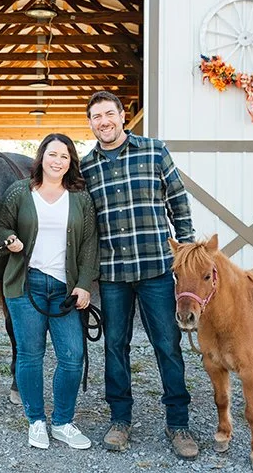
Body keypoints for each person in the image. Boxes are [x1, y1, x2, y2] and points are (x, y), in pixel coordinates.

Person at [80, 91, 199, 460]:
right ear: (91, 123)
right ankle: (120, 419)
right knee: (115, 346)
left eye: (109, 113)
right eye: (96, 116)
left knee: (167, 345)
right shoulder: (86, 167)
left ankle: (178, 423)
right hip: (113, 274)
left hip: (155, 269)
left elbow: (179, 203)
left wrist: (186, 256)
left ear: (122, 115)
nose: (104, 121)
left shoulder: (154, 151)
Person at [0, 133, 99, 450]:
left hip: (66, 289)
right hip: (27, 285)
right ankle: (36, 421)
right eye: (52, 154)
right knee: (30, 354)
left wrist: (84, 284)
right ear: (41, 157)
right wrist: (9, 239)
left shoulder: (80, 198)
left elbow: (90, 243)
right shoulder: (19, 191)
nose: (57, 161)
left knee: (72, 356)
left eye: (64, 156)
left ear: (70, 162)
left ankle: (62, 422)